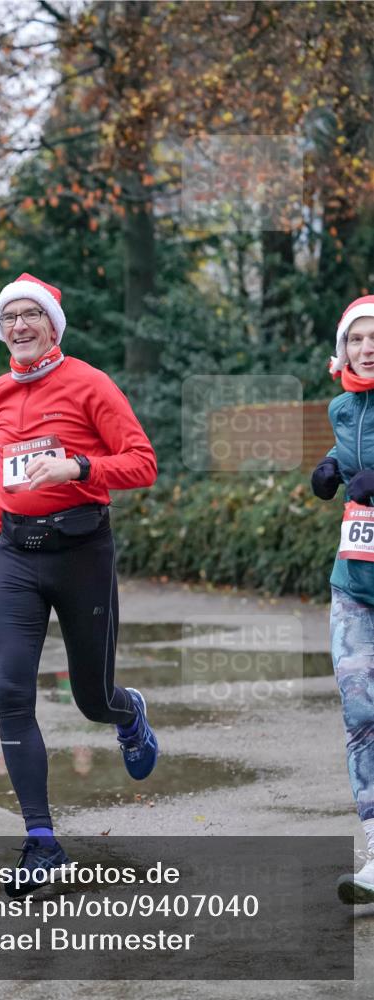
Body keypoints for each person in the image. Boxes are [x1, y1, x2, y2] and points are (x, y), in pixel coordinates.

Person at [0, 272, 159, 895]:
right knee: (11, 690)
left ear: (51, 326)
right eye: (8, 316)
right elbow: (9, 481)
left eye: (29, 315)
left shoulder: (89, 384)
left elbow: (143, 462)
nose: (18, 325)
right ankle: (42, 843)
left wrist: (79, 465)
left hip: (81, 554)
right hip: (15, 556)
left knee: (90, 698)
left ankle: (128, 713)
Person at [310, 293, 374, 905]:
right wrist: (328, 469)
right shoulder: (340, 407)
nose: (366, 346)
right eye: (356, 338)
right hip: (354, 582)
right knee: (359, 709)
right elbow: (350, 457)